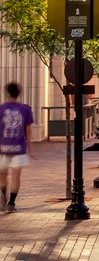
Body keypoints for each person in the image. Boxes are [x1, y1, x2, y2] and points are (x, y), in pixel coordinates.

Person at [0, 83, 34, 213]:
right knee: (16, 177)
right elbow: (28, 129)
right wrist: (30, 145)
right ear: (19, 93)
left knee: (3, 175)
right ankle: (11, 203)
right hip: (19, 148)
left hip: (3, 148)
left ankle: (3, 196)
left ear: (7, 93)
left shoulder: (2, 109)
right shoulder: (25, 109)